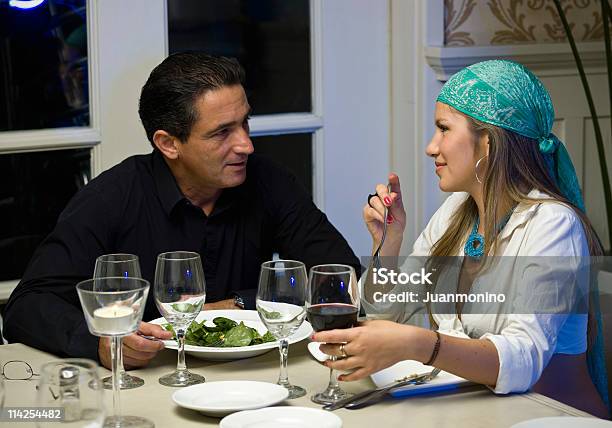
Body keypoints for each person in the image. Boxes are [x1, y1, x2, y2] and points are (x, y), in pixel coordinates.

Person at [4, 52, 359, 370]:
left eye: (244, 123)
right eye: (222, 132)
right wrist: (100, 344)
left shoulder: (269, 182)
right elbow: (27, 307)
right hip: (149, 383)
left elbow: (340, 281)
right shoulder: (112, 197)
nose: (246, 145)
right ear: (169, 144)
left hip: (254, 374)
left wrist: (238, 304)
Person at [312, 60, 609, 418]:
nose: (430, 147)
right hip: (483, 412)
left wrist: (416, 343)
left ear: (488, 142)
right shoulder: (457, 211)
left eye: (443, 129)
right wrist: (388, 243)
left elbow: (524, 358)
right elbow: (387, 311)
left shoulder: (553, 224)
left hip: (553, 417)